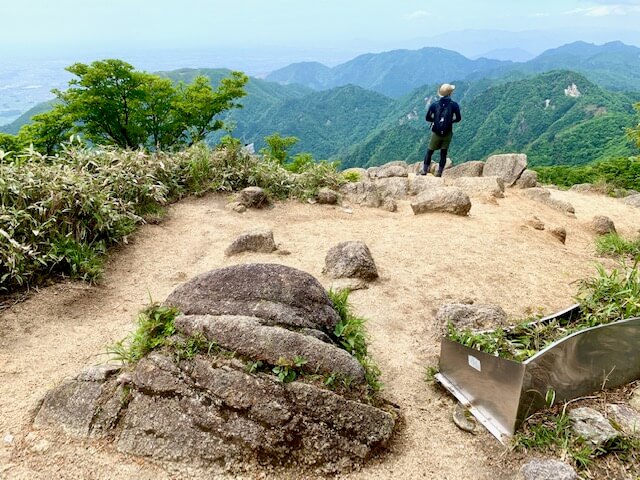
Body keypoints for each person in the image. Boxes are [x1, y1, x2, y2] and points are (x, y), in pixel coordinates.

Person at [418, 83, 461, 177]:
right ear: (450, 93)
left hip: (436, 133)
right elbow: (458, 119)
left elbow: (427, 118)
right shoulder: (454, 105)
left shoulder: (434, 105)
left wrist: (436, 121)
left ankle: (424, 170)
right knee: (443, 153)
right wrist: (449, 121)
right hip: (447, 132)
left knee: (429, 152)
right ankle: (439, 173)